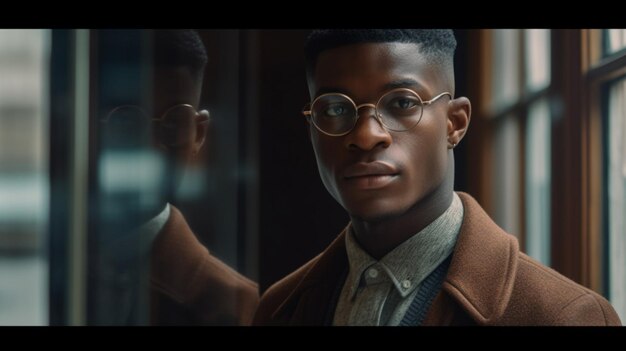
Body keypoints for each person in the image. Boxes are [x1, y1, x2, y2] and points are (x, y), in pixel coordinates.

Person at [253, 29, 621, 326]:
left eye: (402, 102)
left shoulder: (564, 317)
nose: (366, 136)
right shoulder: (279, 308)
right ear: (312, 128)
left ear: (455, 123)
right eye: (335, 108)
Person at [97, 29, 258, 325]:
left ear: (199, 133)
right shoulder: (58, 265)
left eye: (174, 122)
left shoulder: (236, 304)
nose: (152, 146)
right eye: (128, 121)